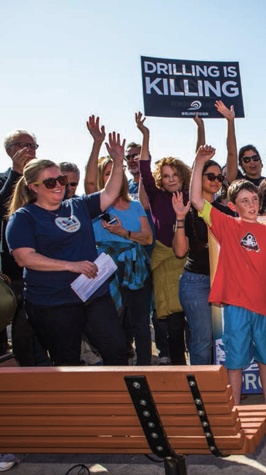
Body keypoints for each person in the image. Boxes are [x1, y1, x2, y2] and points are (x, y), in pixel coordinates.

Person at [6, 131, 129, 367]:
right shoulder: (24, 217)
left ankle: (118, 401)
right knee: (68, 361)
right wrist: (71, 266)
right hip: (53, 302)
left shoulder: (77, 206)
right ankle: (75, 403)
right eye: (50, 182)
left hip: (92, 294)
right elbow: (24, 258)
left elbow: (110, 193)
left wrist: (117, 161)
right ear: (33, 187)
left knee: (117, 349)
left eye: (61, 180)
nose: (58, 186)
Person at [189, 144, 266, 429]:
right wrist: (198, 161)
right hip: (236, 307)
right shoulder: (227, 225)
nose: (251, 204)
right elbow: (195, 198)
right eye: (244, 200)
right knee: (235, 363)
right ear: (233, 206)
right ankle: (234, 412)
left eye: (254, 198)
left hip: (265, 308)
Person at [84, 128, 154, 366]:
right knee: (113, 323)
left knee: (140, 324)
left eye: (114, 171)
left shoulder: (135, 206)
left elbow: (147, 239)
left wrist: (124, 233)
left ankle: (145, 370)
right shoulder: (97, 206)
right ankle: (117, 370)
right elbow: (90, 181)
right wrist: (97, 144)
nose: (110, 176)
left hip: (137, 270)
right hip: (107, 271)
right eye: (107, 173)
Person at [136, 112, 190, 365]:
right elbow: (144, 168)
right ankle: (178, 365)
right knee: (171, 320)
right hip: (162, 259)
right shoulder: (156, 196)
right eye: (166, 176)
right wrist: (145, 135)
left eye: (174, 175)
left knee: (192, 319)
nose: (170, 180)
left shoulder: (191, 196)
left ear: (182, 177)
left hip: (187, 259)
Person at [173, 158, 234, 365]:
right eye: (211, 176)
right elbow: (180, 251)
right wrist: (180, 219)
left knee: (226, 338)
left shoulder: (226, 212)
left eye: (220, 177)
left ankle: (227, 386)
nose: (216, 181)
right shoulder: (187, 210)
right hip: (196, 282)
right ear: (198, 179)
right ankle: (203, 391)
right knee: (202, 340)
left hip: (224, 282)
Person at [1, 129, 47, 368]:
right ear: (9, 151)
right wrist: (17, 174)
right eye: (22, 145)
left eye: (33, 145)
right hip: (8, 273)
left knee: (31, 333)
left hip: (40, 269)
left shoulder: (44, 183)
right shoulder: (3, 180)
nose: (29, 150)